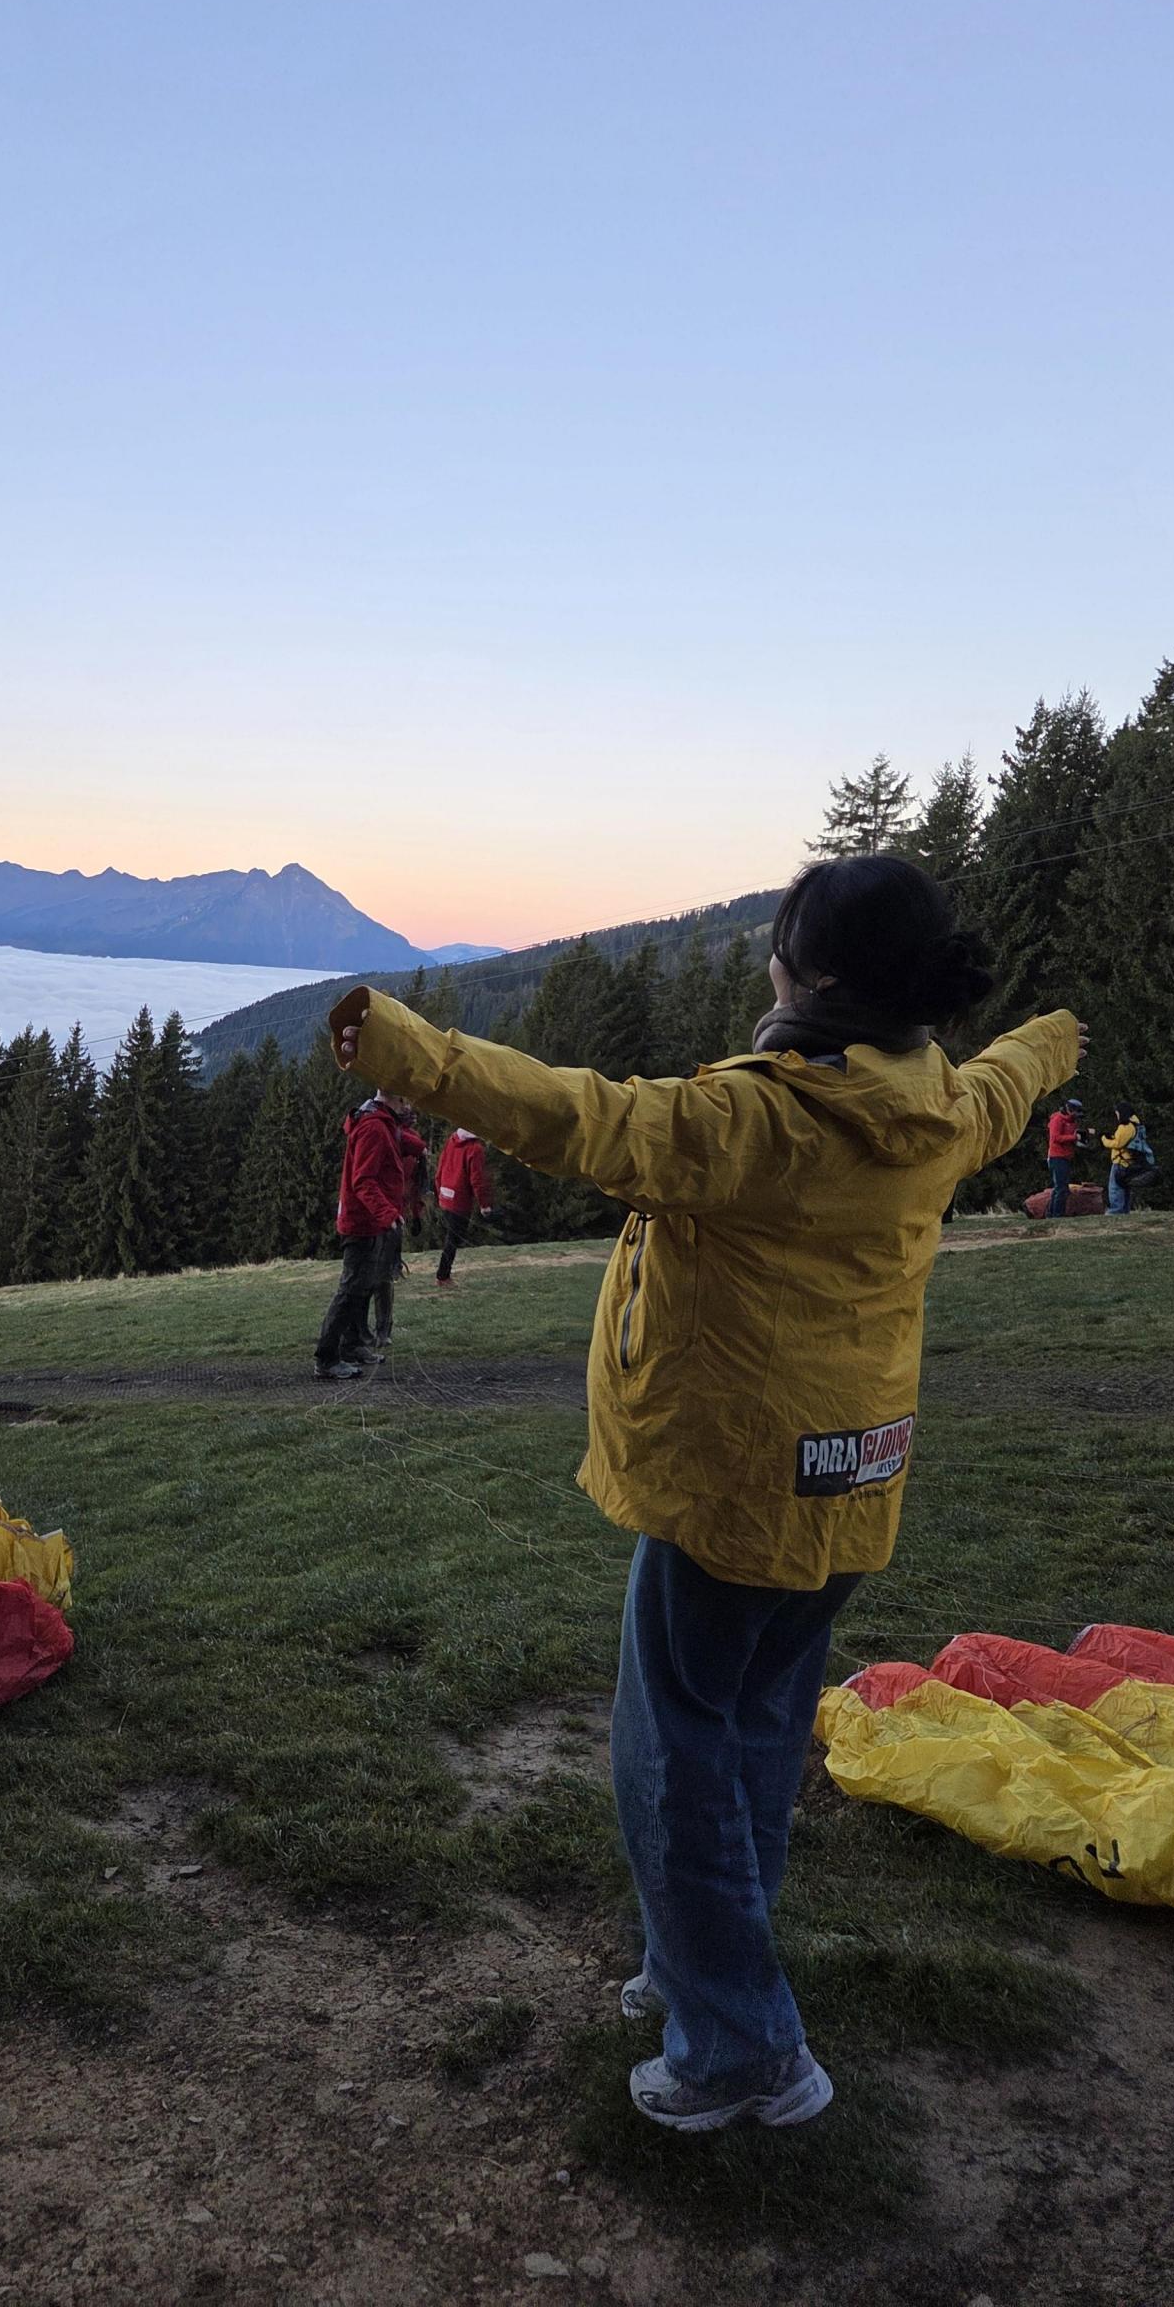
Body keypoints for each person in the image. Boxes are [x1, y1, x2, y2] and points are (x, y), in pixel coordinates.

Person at [330, 853, 1082, 2133]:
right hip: (851, 1478)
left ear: (811, 978)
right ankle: (704, 1966)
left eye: (779, 945)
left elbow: (581, 1116)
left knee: (671, 1756)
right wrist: (1055, 1037)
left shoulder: (765, 1121)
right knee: (755, 1738)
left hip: (735, 1486)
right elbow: (1010, 1080)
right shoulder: (940, 1104)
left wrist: (408, 1049)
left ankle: (740, 2045)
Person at [313, 1087, 409, 1380]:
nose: (408, 1105)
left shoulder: (380, 1123)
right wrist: (387, 1214)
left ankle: (352, 1346)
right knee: (350, 1291)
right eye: (405, 1098)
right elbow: (363, 1181)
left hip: (370, 1221)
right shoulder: (373, 1128)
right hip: (361, 1221)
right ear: (394, 1098)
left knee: (362, 1288)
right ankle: (326, 1358)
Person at [369, 1103, 430, 1352]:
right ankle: (377, 1331)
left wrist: (414, 1214)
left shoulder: (409, 1143)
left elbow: (414, 1185)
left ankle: (381, 1330)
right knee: (377, 1276)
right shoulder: (388, 1135)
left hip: (393, 1214)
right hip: (383, 1212)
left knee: (381, 1275)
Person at [434, 1127, 494, 1285]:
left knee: (451, 1238)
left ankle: (443, 1275)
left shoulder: (452, 1140)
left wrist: (439, 1191)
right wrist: (484, 1204)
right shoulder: (475, 1148)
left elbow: (440, 1167)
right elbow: (477, 1179)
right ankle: (443, 1276)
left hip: (446, 1194)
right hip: (460, 1199)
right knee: (453, 1240)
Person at [1044, 1096, 1092, 1218]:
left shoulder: (1072, 1121)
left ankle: (1051, 1214)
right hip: (1057, 1156)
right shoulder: (1057, 1120)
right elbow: (1055, 1138)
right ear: (1069, 1109)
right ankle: (1057, 1214)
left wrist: (1084, 1135)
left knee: (1060, 1187)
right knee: (1061, 1187)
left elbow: (1072, 1135)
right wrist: (1074, 1137)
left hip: (1066, 1156)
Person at [1103, 1106, 1157, 1213]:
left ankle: (1116, 1211)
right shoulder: (1136, 1125)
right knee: (1125, 1188)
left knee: (1115, 1189)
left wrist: (1103, 1139)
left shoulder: (1126, 1126)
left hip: (1121, 1162)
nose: (1117, 1116)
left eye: (1117, 1113)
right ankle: (1124, 1211)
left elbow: (1118, 1144)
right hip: (1130, 1162)